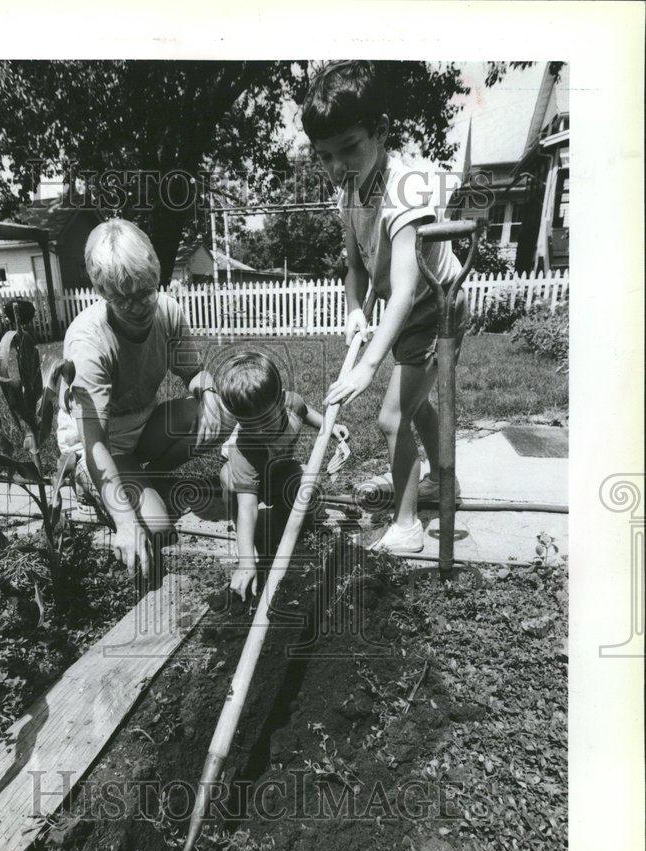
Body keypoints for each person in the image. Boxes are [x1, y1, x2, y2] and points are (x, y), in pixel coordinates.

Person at [302, 61, 467, 555]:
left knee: (392, 417)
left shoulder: (406, 190)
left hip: (437, 308)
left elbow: (402, 287)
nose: (337, 168)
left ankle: (407, 524)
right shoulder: (348, 192)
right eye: (324, 155)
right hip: (407, 307)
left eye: (349, 149)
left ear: (382, 132)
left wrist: (369, 364)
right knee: (413, 408)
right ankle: (445, 483)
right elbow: (354, 267)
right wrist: (355, 310)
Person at [56, 219, 233, 577]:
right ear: (102, 293)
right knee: (156, 526)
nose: (139, 306)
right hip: (96, 446)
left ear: (156, 278)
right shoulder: (88, 344)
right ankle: (112, 489)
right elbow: (95, 445)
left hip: (141, 428)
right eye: (123, 298)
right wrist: (124, 523)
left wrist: (209, 391)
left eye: (146, 292)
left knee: (223, 413)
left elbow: (193, 373)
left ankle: (143, 476)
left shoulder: (168, 311)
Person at [216, 351, 349, 601]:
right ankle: (246, 543)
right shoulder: (246, 446)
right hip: (242, 472)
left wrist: (330, 428)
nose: (258, 430)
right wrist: (246, 562)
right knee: (233, 485)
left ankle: (286, 518)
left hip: (277, 467)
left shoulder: (292, 404)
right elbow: (248, 508)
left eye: (265, 420)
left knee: (306, 484)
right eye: (248, 424)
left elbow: (306, 411)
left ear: (280, 401)